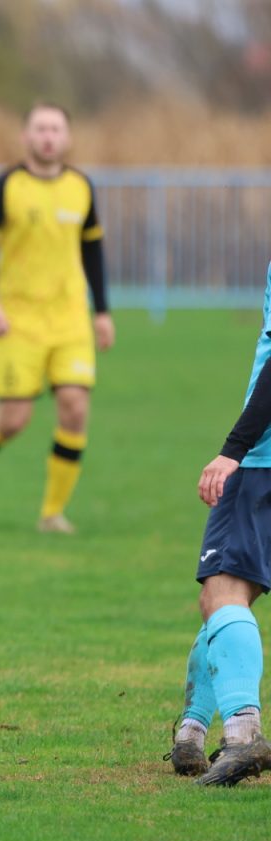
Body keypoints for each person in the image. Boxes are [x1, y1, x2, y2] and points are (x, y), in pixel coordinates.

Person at [0, 102, 113, 533]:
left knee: (74, 408)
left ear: (67, 138)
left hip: (70, 318)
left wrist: (102, 311)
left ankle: (52, 513)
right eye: (40, 129)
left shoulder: (81, 187)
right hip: (18, 321)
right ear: (26, 137)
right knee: (13, 419)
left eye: (55, 129)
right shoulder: (6, 187)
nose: (48, 137)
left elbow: (92, 250)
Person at [166, 263, 271, 787]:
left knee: (223, 594)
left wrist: (235, 449)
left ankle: (243, 733)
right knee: (229, 599)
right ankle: (190, 731)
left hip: (264, 459)